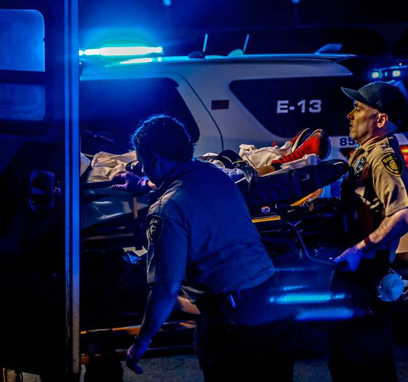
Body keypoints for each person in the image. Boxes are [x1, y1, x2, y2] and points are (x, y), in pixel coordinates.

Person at [121, 115, 294, 381]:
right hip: (272, 302)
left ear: (154, 159)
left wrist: (140, 344)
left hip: (232, 323)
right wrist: (144, 184)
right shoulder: (213, 174)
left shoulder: (165, 211)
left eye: (144, 164)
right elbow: (182, 182)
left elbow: (166, 290)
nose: (143, 170)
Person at [328, 82, 408, 382]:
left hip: (366, 275)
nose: (349, 115)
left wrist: (360, 249)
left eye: (358, 108)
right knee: (351, 361)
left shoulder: (382, 157)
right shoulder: (365, 151)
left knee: (363, 365)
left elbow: (405, 216)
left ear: (380, 119)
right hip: (357, 273)